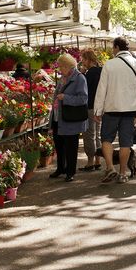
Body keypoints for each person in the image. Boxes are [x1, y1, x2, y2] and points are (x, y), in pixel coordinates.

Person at [93, 37, 136, 184]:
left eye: (113, 47)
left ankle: (110, 167)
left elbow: (101, 89)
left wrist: (97, 110)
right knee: (126, 143)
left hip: (111, 109)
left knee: (106, 139)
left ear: (116, 47)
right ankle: (123, 173)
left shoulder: (109, 65)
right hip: (130, 110)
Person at [48, 53, 89, 182]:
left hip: (70, 119)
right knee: (59, 145)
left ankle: (70, 172)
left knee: (71, 147)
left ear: (68, 66)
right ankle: (61, 168)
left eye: (61, 67)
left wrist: (66, 98)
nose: (59, 69)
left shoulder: (79, 78)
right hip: (58, 117)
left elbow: (83, 99)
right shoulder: (63, 77)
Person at [79, 49, 103, 172]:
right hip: (100, 107)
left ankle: (90, 162)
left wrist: (82, 74)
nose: (82, 62)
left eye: (83, 59)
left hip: (90, 106)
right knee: (97, 134)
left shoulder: (90, 73)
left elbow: (85, 90)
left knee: (89, 134)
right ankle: (98, 160)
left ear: (88, 59)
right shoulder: (102, 71)